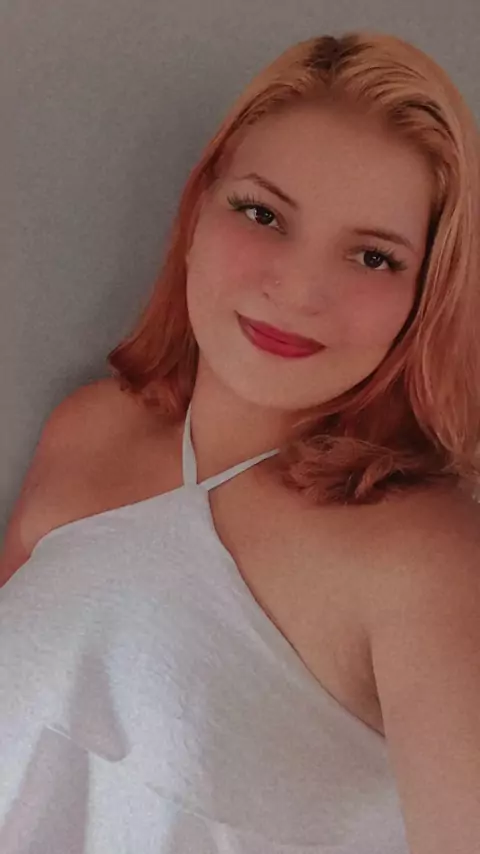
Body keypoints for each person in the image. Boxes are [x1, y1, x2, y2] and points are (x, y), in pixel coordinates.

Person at [1, 28, 479, 854]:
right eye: (263, 214)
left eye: (373, 257)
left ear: (423, 297)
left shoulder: (425, 559)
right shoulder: (89, 430)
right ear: (197, 213)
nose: (299, 288)